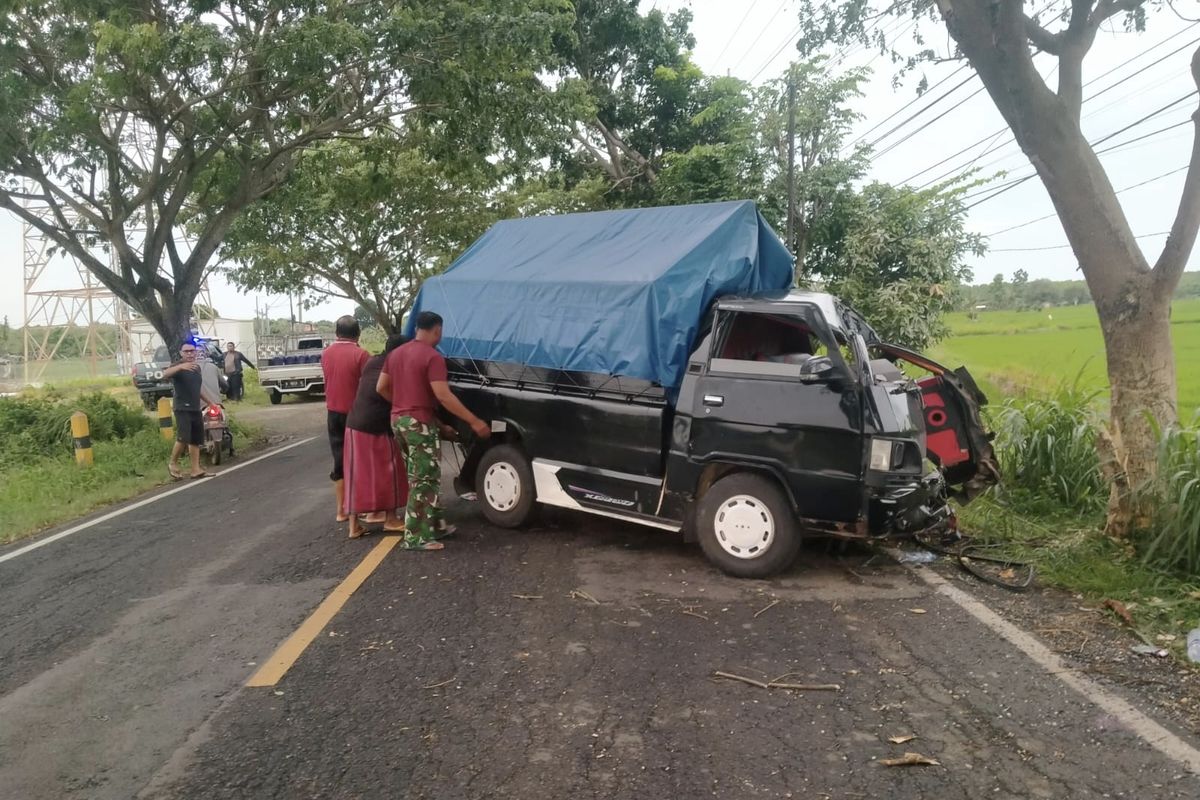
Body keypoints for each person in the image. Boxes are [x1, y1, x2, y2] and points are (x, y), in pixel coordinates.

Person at [378, 311, 491, 551]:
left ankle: (435, 525)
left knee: (421, 474)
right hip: (419, 423)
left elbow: (381, 388)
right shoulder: (432, 357)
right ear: (437, 330)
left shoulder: (396, 353)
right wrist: (474, 421)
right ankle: (416, 537)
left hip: (398, 420)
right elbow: (443, 395)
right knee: (424, 478)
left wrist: (402, 404)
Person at [344, 333, 410, 539]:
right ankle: (390, 519)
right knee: (392, 471)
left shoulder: (373, 361)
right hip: (376, 426)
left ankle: (354, 526)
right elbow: (384, 389)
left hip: (354, 424)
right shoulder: (394, 366)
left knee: (357, 475)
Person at [321, 315, 370, 522]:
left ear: (336, 333)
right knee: (359, 461)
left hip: (333, 413)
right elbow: (367, 388)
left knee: (339, 460)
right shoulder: (362, 355)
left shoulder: (325, 354)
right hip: (356, 414)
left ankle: (341, 511)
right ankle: (361, 507)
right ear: (358, 333)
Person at [164, 341, 220, 480]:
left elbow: (198, 389)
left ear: (196, 352)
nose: (189, 354)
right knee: (183, 437)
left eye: (192, 351)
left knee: (195, 439)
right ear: (181, 353)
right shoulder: (177, 366)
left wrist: (210, 403)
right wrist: (181, 366)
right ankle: (172, 463)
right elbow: (165, 374)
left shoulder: (196, 368)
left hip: (195, 407)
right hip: (182, 407)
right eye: (186, 351)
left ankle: (195, 469)